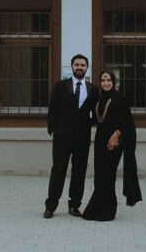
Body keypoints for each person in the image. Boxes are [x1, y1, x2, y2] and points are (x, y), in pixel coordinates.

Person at [82, 69, 142, 222]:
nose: (106, 83)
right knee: (99, 175)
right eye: (103, 80)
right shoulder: (99, 99)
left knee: (108, 175)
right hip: (100, 141)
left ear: (113, 81)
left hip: (114, 142)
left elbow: (127, 122)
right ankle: (96, 207)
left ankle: (109, 210)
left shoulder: (119, 98)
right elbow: (97, 120)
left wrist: (117, 133)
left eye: (108, 80)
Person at [44, 53, 99, 218]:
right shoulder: (60, 86)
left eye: (83, 65)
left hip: (82, 137)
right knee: (58, 170)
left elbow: (96, 111)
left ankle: (74, 205)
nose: (80, 67)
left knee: (79, 171)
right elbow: (52, 108)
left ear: (87, 68)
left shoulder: (93, 89)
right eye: (77, 65)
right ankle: (51, 206)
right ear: (72, 67)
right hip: (62, 136)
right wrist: (53, 129)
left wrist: (89, 124)